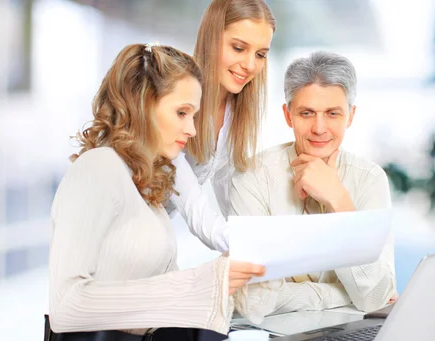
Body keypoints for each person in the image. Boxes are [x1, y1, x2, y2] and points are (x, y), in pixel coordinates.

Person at [47, 43, 266, 340]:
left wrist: (219, 279)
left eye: (194, 116)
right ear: (143, 104)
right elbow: (66, 306)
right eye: (182, 113)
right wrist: (201, 282)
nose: (191, 129)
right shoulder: (97, 169)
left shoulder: (143, 186)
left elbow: (154, 290)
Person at [229, 51, 397, 319]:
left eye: (333, 113)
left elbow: (376, 297)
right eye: (307, 113)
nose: (320, 128)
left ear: (350, 116)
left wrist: (339, 201)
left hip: (350, 332)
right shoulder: (251, 176)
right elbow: (252, 300)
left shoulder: (369, 178)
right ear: (288, 115)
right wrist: (343, 295)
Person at [168, 0, 275, 254]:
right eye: (239, 48)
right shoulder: (174, 99)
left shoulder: (234, 112)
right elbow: (196, 212)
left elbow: (232, 198)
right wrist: (265, 248)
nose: (250, 65)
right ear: (211, 39)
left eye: (260, 54)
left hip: (154, 238)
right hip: (115, 234)